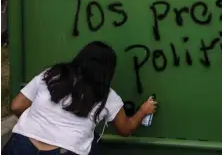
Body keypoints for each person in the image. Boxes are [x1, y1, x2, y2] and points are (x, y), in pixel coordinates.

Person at [2, 41, 157, 155]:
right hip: (67, 150)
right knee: (93, 141)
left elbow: (16, 105)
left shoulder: (53, 74)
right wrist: (143, 110)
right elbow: (125, 129)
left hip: (21, 146)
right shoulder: (107, 96)